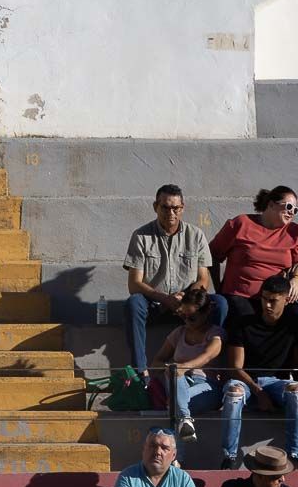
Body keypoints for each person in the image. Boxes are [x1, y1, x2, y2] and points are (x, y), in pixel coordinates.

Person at [123, 184, 223, 377]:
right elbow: (134, 284)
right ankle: (139, 372)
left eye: (175, 208)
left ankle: (213, 368)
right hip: (155, 304)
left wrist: (185, 298)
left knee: (220, 303)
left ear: (182, 207)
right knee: (134, 303)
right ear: (155, 207)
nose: (171, 213)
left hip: (188, 305)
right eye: (165, 207)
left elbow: (203, 278)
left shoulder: (196, 235)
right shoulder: (141, 236)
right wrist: (164, 298)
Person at [220, 275, 298, 469]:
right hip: (246, 382)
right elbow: (235, 368)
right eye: (264, 299)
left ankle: (294, 455)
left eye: (273, 300)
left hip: (277, 383)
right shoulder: (244, 324)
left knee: (297, 392)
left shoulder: (293, 324)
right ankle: (228, 457)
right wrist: (259, 392)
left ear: (286, 300)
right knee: (233, 394)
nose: (267, 305)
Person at [210, 185, 298, 322]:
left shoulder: (294, 232)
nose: (292, 212)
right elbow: (212, 254)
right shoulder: (241, 224)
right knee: (247, 321)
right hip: (239, 295)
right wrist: (218, 287)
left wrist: (296, 279)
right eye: (288, 207)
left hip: (276, 299)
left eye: (295, 210)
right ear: (271, 205)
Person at [148, 287, 224, 443]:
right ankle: (185, 419)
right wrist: (171, 367)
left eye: (192, 318)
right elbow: (156, 362)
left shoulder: (215, 334)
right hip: (178, 383)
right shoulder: (179, 333)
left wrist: (184, 367)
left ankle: (177, 456)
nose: (187, 321)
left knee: (175, 403)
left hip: (206, 385)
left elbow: (208, 355)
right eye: (183, 316)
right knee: (174, 374)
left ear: (206, 313)